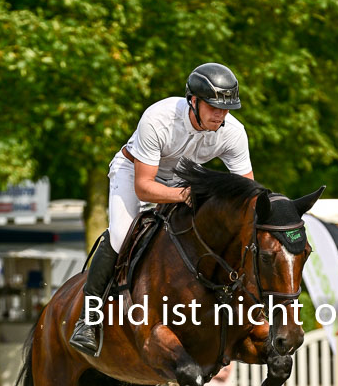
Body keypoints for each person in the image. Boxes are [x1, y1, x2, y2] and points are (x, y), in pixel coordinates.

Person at [70, 62, 254, 356]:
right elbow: (144, 187)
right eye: (213, 107)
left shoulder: (232, 132)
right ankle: (88, 319)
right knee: (120, 235)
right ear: (193, 101)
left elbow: (247, 192)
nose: (221, 114)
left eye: (227, 108)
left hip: (182, 178)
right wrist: (185, 195)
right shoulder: (159, 118)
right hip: (133, 172)